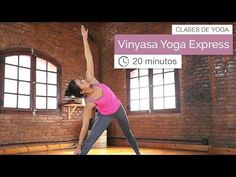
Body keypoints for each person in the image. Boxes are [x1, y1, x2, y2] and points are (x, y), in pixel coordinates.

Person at [65, 25, 140, 155]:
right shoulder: (89, 103)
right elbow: (84, 127)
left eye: (81, 79)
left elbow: (89, 57)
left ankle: (138, 153)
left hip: (118, 108)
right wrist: (78, 146)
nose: (84, 79)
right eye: (81, 82)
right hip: (105, 115)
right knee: (90, 140)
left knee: (128, 133)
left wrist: (84, 38)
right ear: (82, 91)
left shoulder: (91, 79)